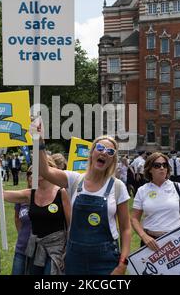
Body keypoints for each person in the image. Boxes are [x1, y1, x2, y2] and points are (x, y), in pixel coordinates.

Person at [36, 118, 131, 275]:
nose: (104, 153)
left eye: (110, 152)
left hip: (106, 259)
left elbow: (126, 229)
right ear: (92, 152)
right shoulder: (75, 180)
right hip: (75, 258)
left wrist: (123, 263)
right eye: (100, 148)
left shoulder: (117, 187)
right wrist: (39, 142)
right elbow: (45, 171)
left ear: (113, 159)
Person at [4, 156, 71, 275]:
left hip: (56, 249)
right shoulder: (31, 193)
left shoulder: (62, 193)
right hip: (35, 249)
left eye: (41, 167)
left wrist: (68, 250)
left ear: (50, 170)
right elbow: (0, 194)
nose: (36, 171)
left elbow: (70, 225)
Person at [131, 152, 180, 251]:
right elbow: (134, 219)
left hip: (176, 240)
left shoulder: (178, 187)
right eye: (157, 165)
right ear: (150, 169)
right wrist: (144, 236)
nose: (162, 168)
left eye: (165, 165)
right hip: (151, 242)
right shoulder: (142, 190)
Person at [12, 166, 33, 275]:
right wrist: (21, 234)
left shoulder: (48, 196)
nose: (31, 176)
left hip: (39, 251)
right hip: (22, 247)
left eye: (35, 173)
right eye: (29, 173)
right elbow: (16, 217)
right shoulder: (21, 196)